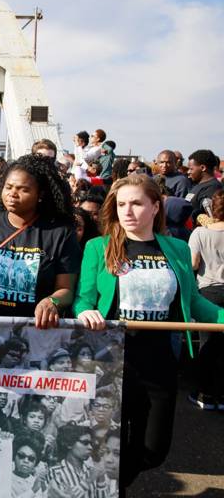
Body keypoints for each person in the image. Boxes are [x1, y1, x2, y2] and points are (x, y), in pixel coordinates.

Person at [74, 173, 224, 492]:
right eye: (121, 204)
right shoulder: (98, 247)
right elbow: (84, 297)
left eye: (137, 203)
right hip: (110, 360)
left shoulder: (178, 249)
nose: (127, 211)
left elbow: (194, 299)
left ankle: (112, 486)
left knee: (153, 451)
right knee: (106, 444)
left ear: (155, 207)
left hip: (159, 362)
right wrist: (84, 311)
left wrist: (221, 316)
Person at [0, 154, 82, 329]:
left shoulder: (60, 234)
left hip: (33, 332)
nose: (12, 194)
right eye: (8, 187)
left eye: (23, 189)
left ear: (40, 194)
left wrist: (52, 301)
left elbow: (66, 290)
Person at [187, 190, 224, 409]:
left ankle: (205, 394)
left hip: (208, 290)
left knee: (207, 344)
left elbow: (193, 263)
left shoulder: (200, 233)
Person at [186, 149, 222, 223]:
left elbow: (212, 219)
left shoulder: (213, 188)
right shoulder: (198, 185)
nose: (188, 172)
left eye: (191, 169)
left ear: (203, 168)